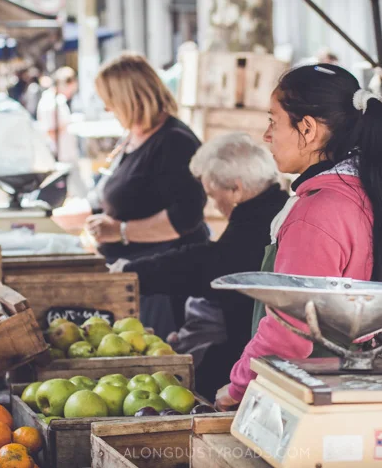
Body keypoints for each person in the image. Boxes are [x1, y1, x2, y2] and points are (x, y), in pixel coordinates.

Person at [215, 63, 382, 410]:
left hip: (304, 393)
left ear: (307, 129)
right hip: (339, 385)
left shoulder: (317, 212)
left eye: (273, 121)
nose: (266, 135)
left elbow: (290, 332)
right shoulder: (359, 192)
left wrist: (235, 388)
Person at [109, 133, 288, 398]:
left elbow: (208, 264)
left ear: (236, 189)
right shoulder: (273, 206)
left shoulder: (260, 222)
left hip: (256, 364)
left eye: (212, 195)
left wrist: (133, 273)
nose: (214, 205)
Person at [85, 53, 209, 337]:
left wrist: (122, 230)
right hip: (132, 275)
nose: (106, 108)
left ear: (130, 97)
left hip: (160, 283)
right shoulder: (132, 136)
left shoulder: (175, 141)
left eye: (110, 99)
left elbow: (186, 216)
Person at [36, 66, 86, 197]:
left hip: (67, 153)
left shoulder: (58, 100)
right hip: (60, 155)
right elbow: (49, 130)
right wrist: (67, 125)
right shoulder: (49, 102)